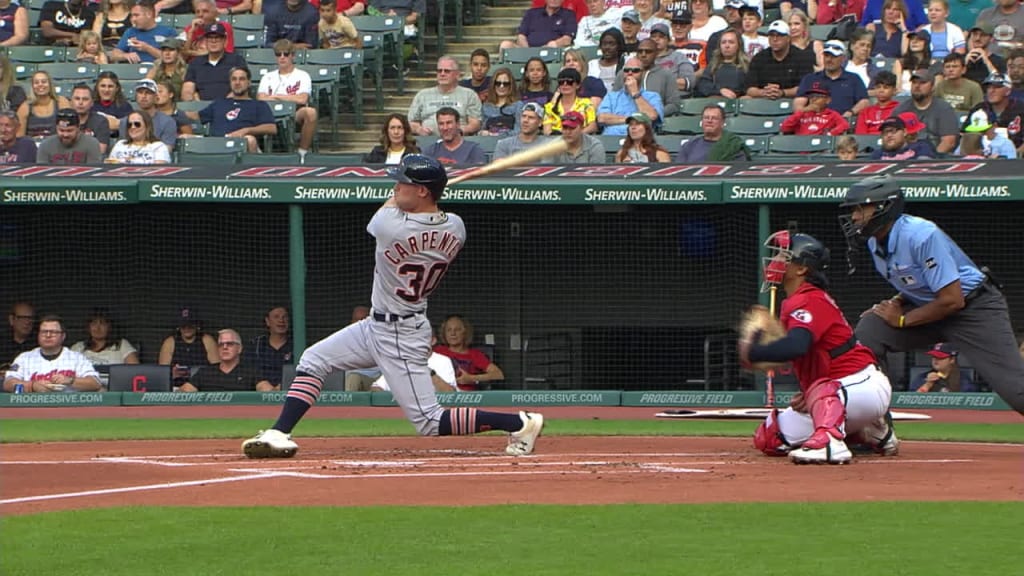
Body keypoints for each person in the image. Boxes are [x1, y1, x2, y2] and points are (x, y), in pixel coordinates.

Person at [241, 155, 546, 459]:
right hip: (378, 324)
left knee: (429, 420)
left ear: (423, 191)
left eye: (405, 182)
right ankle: (280, 431)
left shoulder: (390, 226)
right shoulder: (456, 227)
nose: (397, 186)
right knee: (314, 359)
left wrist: (418, 193)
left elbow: (393, 205)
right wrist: (425, 192)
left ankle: (519, 422)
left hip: (400, 332)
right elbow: (420, 210)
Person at [838, 175, 1024, 415]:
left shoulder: (921, 234)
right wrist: (893, 303)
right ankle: (875, 425)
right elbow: (914, 281)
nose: (854, 217)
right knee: (869, 331)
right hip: (930, 312)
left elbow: (952, 300)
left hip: (973, 310)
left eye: (862, 208)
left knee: (1015, 390)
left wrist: (902, 319)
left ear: (884, 207)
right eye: (854, 210)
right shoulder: (875, 243)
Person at [742, 231, 896, 464]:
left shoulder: (809, 298)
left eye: (784, 256)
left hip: (864, 383)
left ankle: (830, 443)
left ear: (802, 268)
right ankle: (869, 432)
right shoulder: (796, 300)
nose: (776, 262)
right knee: (770, 438)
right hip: (840, 390)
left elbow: (797, 346)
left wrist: (754, 352)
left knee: (822, 390)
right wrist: (810, 394)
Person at [3, 315, 102, 393]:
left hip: (69, 406)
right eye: (44, 332)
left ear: (63, 336)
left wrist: (70, 380)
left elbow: (95, 383)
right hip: (33, 407)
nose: (48, 335)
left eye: (53, 332)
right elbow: (8, 384)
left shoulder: (76, 358)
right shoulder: (24, 358)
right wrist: (32, 386)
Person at [257, 39, 318, 159]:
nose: (282, 57)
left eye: (286, 54)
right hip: (269, 114)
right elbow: (261, 98)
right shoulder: (267, 76)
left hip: (293, 114)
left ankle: (302, 153)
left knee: (310, 113)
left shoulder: (302, 75)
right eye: (278, 54)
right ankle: (256, 153)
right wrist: (288, 98)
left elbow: (302, 99)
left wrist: (276, 96)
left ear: (293, 56)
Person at [196, 67, 277, 152]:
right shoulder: (219, 103)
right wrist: (182, 114)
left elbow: (271, 128)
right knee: (184, 138)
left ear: (249, 83)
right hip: (216, 144)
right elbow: (197, 117)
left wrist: (246, 130)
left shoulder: (259, 105)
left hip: (242, 145)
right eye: (234, 79)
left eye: (241, 79)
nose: (237, 82)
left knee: (250, 139)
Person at [407, 56, 482, 136]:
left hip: (459, 141)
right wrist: (419, 129)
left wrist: (461, 130)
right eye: (439, 71)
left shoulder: (469, 95)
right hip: (428, 140)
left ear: (457, 74)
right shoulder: (422, 95)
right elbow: (411, 122)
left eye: (447, 71)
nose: (442, 74)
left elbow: (475, 123)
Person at [181, 329, 274, 392]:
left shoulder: (251, 372)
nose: (225, 347)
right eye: (221, 344)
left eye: (230, 344)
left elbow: (268, 391)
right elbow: (182, 392)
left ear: (240, 348)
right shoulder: (205, 372)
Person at [794, 39, 870, 117]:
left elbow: (864, 101)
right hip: (815, 123)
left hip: (843, 123)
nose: (829, 60)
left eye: (834, 56)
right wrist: (807, 112)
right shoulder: (810, 79)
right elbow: (798, 104)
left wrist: (850, 113)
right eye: (826, 56)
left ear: (843, 58)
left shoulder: (853, 79)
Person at [892, 68, 960, 154]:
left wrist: (931, 160)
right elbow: (893, 139)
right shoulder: (901, 110)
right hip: (905, 158)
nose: (917, 86)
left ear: (932, 87)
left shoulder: (944, 109)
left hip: (935, 159)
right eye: (914, 82)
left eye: (922, 83)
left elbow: (949, 142)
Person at [744, 20, 816, 99]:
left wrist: (782, 92)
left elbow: (805, 87)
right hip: (764, 100)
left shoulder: (802, 57)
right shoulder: (759, 58)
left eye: (779, 35)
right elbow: (749, 88)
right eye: (771, 35)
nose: (775, 39)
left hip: (792, 101)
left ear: (788, 38)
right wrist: (765, 92)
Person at [433, 314, 504, 392]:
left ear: (465, 332)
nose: (453, 333)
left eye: (457, 329)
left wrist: (471, 378)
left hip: (467, 399)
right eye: (449, 330)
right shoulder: (438, 351)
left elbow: (498, 375)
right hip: (441, 397)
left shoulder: (475, 354)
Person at [70, 309, 139, 387]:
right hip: (83, 390)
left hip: (114, 390)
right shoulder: (78, 347)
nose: (98, 328)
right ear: (88, 327)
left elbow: (135, 370)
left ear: (109, 327)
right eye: (94, 323)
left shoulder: (121, 345)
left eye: (102, 323)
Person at [181, 23, 250, 102]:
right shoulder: (195, 63)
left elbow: (242, 86)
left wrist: (221, 106)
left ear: (224, 40)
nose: (213, 41)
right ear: (205, 41)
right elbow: (187, 90)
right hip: (201, 108)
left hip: (229, 106)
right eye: (210, 38)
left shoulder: (237, 60)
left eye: (217, 37)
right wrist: (195, 102)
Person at [597, 56, 664, 135]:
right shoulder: (611, 96)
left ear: (643, 73)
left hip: (641, 141)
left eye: (635, 70)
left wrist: (635, 93)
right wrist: (630, 120)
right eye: (626, 70)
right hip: (612, 140)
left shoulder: (653, 96)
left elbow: (651, 117)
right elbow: (601, 118)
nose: (630, 73)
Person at [960, 72, 1024, 153]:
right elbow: (964, 135)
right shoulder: (979, 108)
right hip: (981, 155)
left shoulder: (1021, 108)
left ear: (1007, 91)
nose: (991, 91)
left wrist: (1016, 153)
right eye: (989, 87)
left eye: (997, 87)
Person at [372, 335, 458, 393]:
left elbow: (450, 393)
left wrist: (429, 372)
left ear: (433, 340)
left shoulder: (443, 361)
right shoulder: (400, 360)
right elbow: (376, 388)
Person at [676, 103, 751, 162]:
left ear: (722, 122)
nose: (709, 121)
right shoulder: (688, 146)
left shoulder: (732, 145)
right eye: (706, 118)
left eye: (714, 118)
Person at [110, 0, 177, 63]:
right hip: (133, 70)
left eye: (136, 15)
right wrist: (126, 55)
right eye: (132, 16)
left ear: (149, 14)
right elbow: (114, 55)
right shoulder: (130, 31)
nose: (133, 19)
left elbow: (174, 58)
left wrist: (147, 48)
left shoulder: (168, 32)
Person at [120, 78, 177, 149]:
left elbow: (167, 150)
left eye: (148, 93)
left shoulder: (168, 122)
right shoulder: (126, 121)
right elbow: (123, 147)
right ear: (136, 96)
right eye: (140, 92)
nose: (143, 96)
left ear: (156, 97)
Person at [245, 305, 293, 388]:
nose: (281, 320)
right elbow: (249, 370)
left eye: (284, 317)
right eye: (276, 317)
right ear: (267, 321)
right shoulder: (257, 345)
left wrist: (282, 386)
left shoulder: (296, 344)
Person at [498, 0, 577, 50]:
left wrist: (553, 44)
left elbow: (567, 39)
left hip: (553, 51)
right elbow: (521, 36)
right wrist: (528, 51)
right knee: (505, 45)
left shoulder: (569, 15)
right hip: (528, 50)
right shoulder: (531, 13)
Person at [421, 106, 485, 166]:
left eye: (449, 123)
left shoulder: (473, 150)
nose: (445, 128)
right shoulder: (430, 151)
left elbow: (479, 175)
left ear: (458, 124)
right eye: (441, 124)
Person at [695, 28, 749, 98]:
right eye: (723, 42)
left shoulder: (746, 66)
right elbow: (703, 84)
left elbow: (750, 87)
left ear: (739, 45)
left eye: (731, 42)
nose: (727, 46)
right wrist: (720, 90)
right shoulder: (713, 65)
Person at [17, 71, 72, 139]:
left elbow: (70, 131)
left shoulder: (62, 102)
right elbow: (19, 137)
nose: (40, 84)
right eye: (36, 82)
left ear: (50, 84)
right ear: (32, 86)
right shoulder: (25, 107)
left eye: (44, 82)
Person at [36, 108, 103, 164]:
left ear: (78, 128)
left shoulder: (92, 144)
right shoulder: (45, 145)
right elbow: (41, 176)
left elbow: (94, 175)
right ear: (56, 128)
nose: (65, 135)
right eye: (61, 130)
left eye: (69, 131)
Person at [780, 85, 851, 135]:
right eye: (811, 96)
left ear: (828, 100)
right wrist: (803, 111)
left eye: (818, 96)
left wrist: (830, 134)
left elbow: (845, 125)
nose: (814, 99)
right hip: (801, 149)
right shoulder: (802, 113)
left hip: (821, 149)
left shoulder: (832, 114)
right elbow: (785, 127)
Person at [544, 68, 597, 134]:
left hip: (580, 140)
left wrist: (574, 136)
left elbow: (592, 126)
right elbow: (547, 131)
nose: (565, 84)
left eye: (569, 82)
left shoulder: (586, 103)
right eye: (561, 82)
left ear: (578, 85)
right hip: (556, 141)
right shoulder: (550, 107)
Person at [108, 109, 172, 163]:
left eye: (137, 124)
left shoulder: (158, 146)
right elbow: (110, 165)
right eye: (129, 125)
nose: (133, 127)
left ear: (147, 126)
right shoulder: (120, 144)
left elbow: (159, 171)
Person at [910, 342, 975, 392]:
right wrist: (928, 384)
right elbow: (910, 401)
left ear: (952, 360)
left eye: (940, 357)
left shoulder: (963, 380)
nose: (936, 360)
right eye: (934, 356)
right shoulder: (923, 377)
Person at [870, 112, 937, 158]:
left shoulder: (921, 148)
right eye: (885, 132)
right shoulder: (877, 154)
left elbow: (923, 171)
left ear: (904, 132)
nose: (889, 135)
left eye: (893, 131)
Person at [479, 67, 523, 136]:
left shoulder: (518, 105)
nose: (501, 86)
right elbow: (482, 129)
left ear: (511, 86)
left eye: (505, 84)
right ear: (494, 85)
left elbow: (519, 131)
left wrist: (496, 135)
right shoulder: (486, 106)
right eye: (498, 83)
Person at [69, 83, 111, 154]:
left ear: (92, 103)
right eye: (77, 98)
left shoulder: (101, 121)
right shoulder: (63, 119)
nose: (80, 102)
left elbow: (101, 150)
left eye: (85, 99)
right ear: (71, 101)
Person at [0, 302, 35, 377]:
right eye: (22, 318)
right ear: (11, 320)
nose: (27, 322)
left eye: (30, 318)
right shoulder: (3, 344)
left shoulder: (38, 346)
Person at [147, 38, 188, 103]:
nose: (167, 53)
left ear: (178, 53)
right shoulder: (155, 70)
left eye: (171, 50)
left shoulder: (185, 70)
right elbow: (146, 88)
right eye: (164, 50)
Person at [589, 27, 626, 92]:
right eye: (604, 44)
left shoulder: (626, 63)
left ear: (619, 45)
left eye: (612, 44)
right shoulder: (592, 64)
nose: (607, 47)